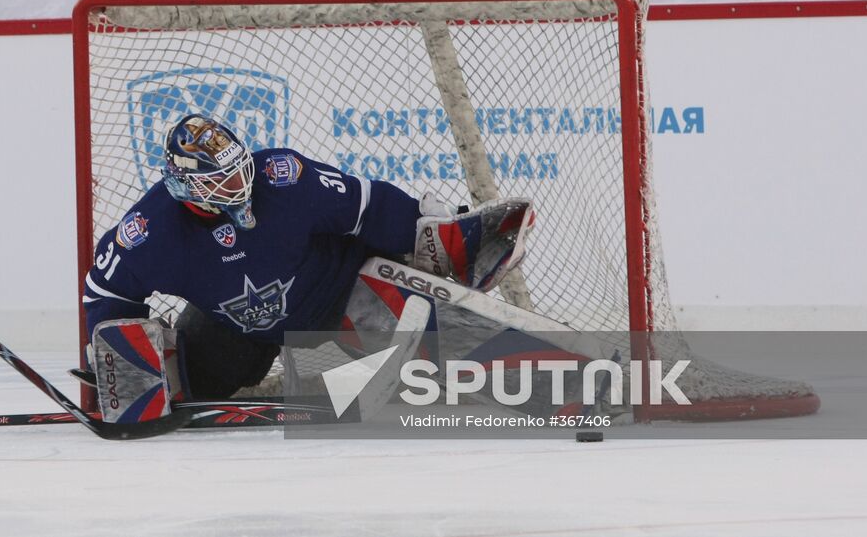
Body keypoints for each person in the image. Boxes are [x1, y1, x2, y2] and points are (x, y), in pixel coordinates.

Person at [82, 113, 532, 413]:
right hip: (236, 326)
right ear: (184, 185)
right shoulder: (148, 232)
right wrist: (119, 359)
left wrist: (427, 228)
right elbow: (105, 291)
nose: (240, 183)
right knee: (188, 392)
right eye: (222, 179)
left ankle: (549, 372)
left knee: (434, 365)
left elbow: (367, 205)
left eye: (240, 168)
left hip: (344, 293)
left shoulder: (283, 176)